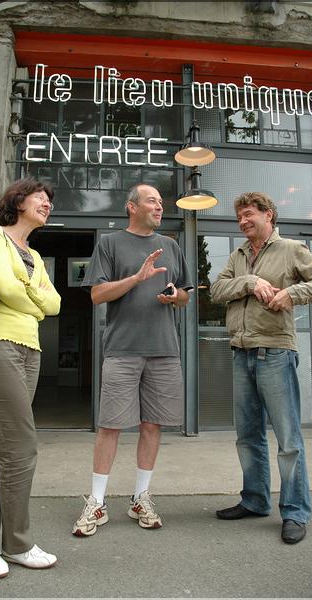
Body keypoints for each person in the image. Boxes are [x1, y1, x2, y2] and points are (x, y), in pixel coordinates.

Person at [211, 192, 312, 544]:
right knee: (247, 436)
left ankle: (296, 512)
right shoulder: (238, 256)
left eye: (249, 215)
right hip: (241, 352)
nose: (242, 222)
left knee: (288, 440)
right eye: (239, 217)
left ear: (269, 215)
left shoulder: (292, 249)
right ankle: (254, 500)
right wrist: (250, 282)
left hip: (276, 354)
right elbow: (217, 290)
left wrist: (293, 294)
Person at [72, 183, 193, 536]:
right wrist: (136, 278)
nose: (159, 206)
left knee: (152, 425)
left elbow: (186, 294)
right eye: (152, 201)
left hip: (164, 349)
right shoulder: (110, 244)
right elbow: (96, 294)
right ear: (131, 207)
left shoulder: (170, 245)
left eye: (160, 201)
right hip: (122, 350)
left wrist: (175, 296)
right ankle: (96, 502)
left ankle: (141, 496)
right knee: (110, 425)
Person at [0, 178, 61, 578]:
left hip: (30, 350)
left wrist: (32, 298)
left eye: (50, 200)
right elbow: (4, 287)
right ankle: (18, 543)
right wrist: (32, 298)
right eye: (40, 196)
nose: (47, 203)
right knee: (21, 445)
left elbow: (55, 303)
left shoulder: (35, 256)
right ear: (17, 201)